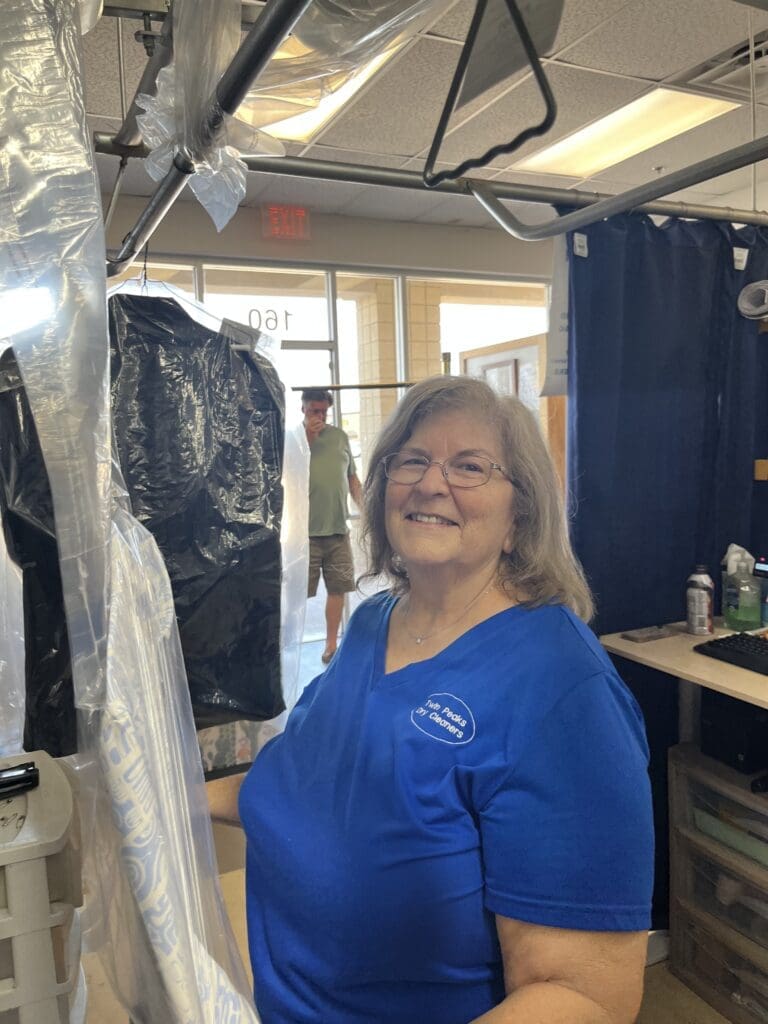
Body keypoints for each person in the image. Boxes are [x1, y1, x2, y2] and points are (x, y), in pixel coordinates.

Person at [237, 376, 654, 1024]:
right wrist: (149, 798)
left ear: (519, 517)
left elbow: (588, 996)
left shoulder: (564, 694)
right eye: (412, 460)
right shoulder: (372, 624)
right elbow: (302, 778)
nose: (431, 484)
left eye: (470, 466)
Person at [301, 387, 362, 664]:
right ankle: (288, 643)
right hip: (305, 535)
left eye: (324, 411)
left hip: (338, 530)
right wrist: (308, 438)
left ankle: (330, 645)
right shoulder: (294, 440)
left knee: (338, 589)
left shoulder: (339, 437)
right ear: (303, 408)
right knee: (297, 594)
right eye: (314, 410)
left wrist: (366, 509)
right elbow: (286, 473)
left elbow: (352, 478)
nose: (320, 416)